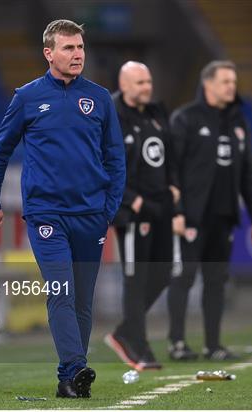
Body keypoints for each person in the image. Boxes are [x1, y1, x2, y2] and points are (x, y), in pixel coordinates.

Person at [0, 19, 125, 398]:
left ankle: (68, 379)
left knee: (81, 300)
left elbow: (115, 158)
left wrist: (108, 207)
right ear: (49, 53)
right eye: (68, 48)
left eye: (80, 48)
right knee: (60, 290)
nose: (77, 54)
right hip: (47, 215)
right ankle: (77, 368)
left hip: (91, 215)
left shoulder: (100, 98)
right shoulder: (27, 97)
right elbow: (0, 152)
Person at [167, 60, 252, 361]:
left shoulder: (238, 122)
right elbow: (171, 170)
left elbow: (248, 171)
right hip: (192, 217)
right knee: (184, 277)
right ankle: (178, 343)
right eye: (225, 82)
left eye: (233, 82)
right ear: (208, 84)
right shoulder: (186, 119)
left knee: (216, 282)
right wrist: (177, 211)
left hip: (223, 217)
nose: (231, 87)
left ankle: (213, 345)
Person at [104, 61, 180, 371]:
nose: (147, 87)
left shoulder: (157, 112)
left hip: (161, 206)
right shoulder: (110, 115)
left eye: (148, 81)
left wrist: (174, 186)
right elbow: (103, 165)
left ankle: (124, 332)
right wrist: (131, 200)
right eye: (140, 83)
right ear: (124, 85)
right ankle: (139, 345)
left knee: (164, 273)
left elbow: (170, 153)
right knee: (135, 280)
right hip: (133, 213)